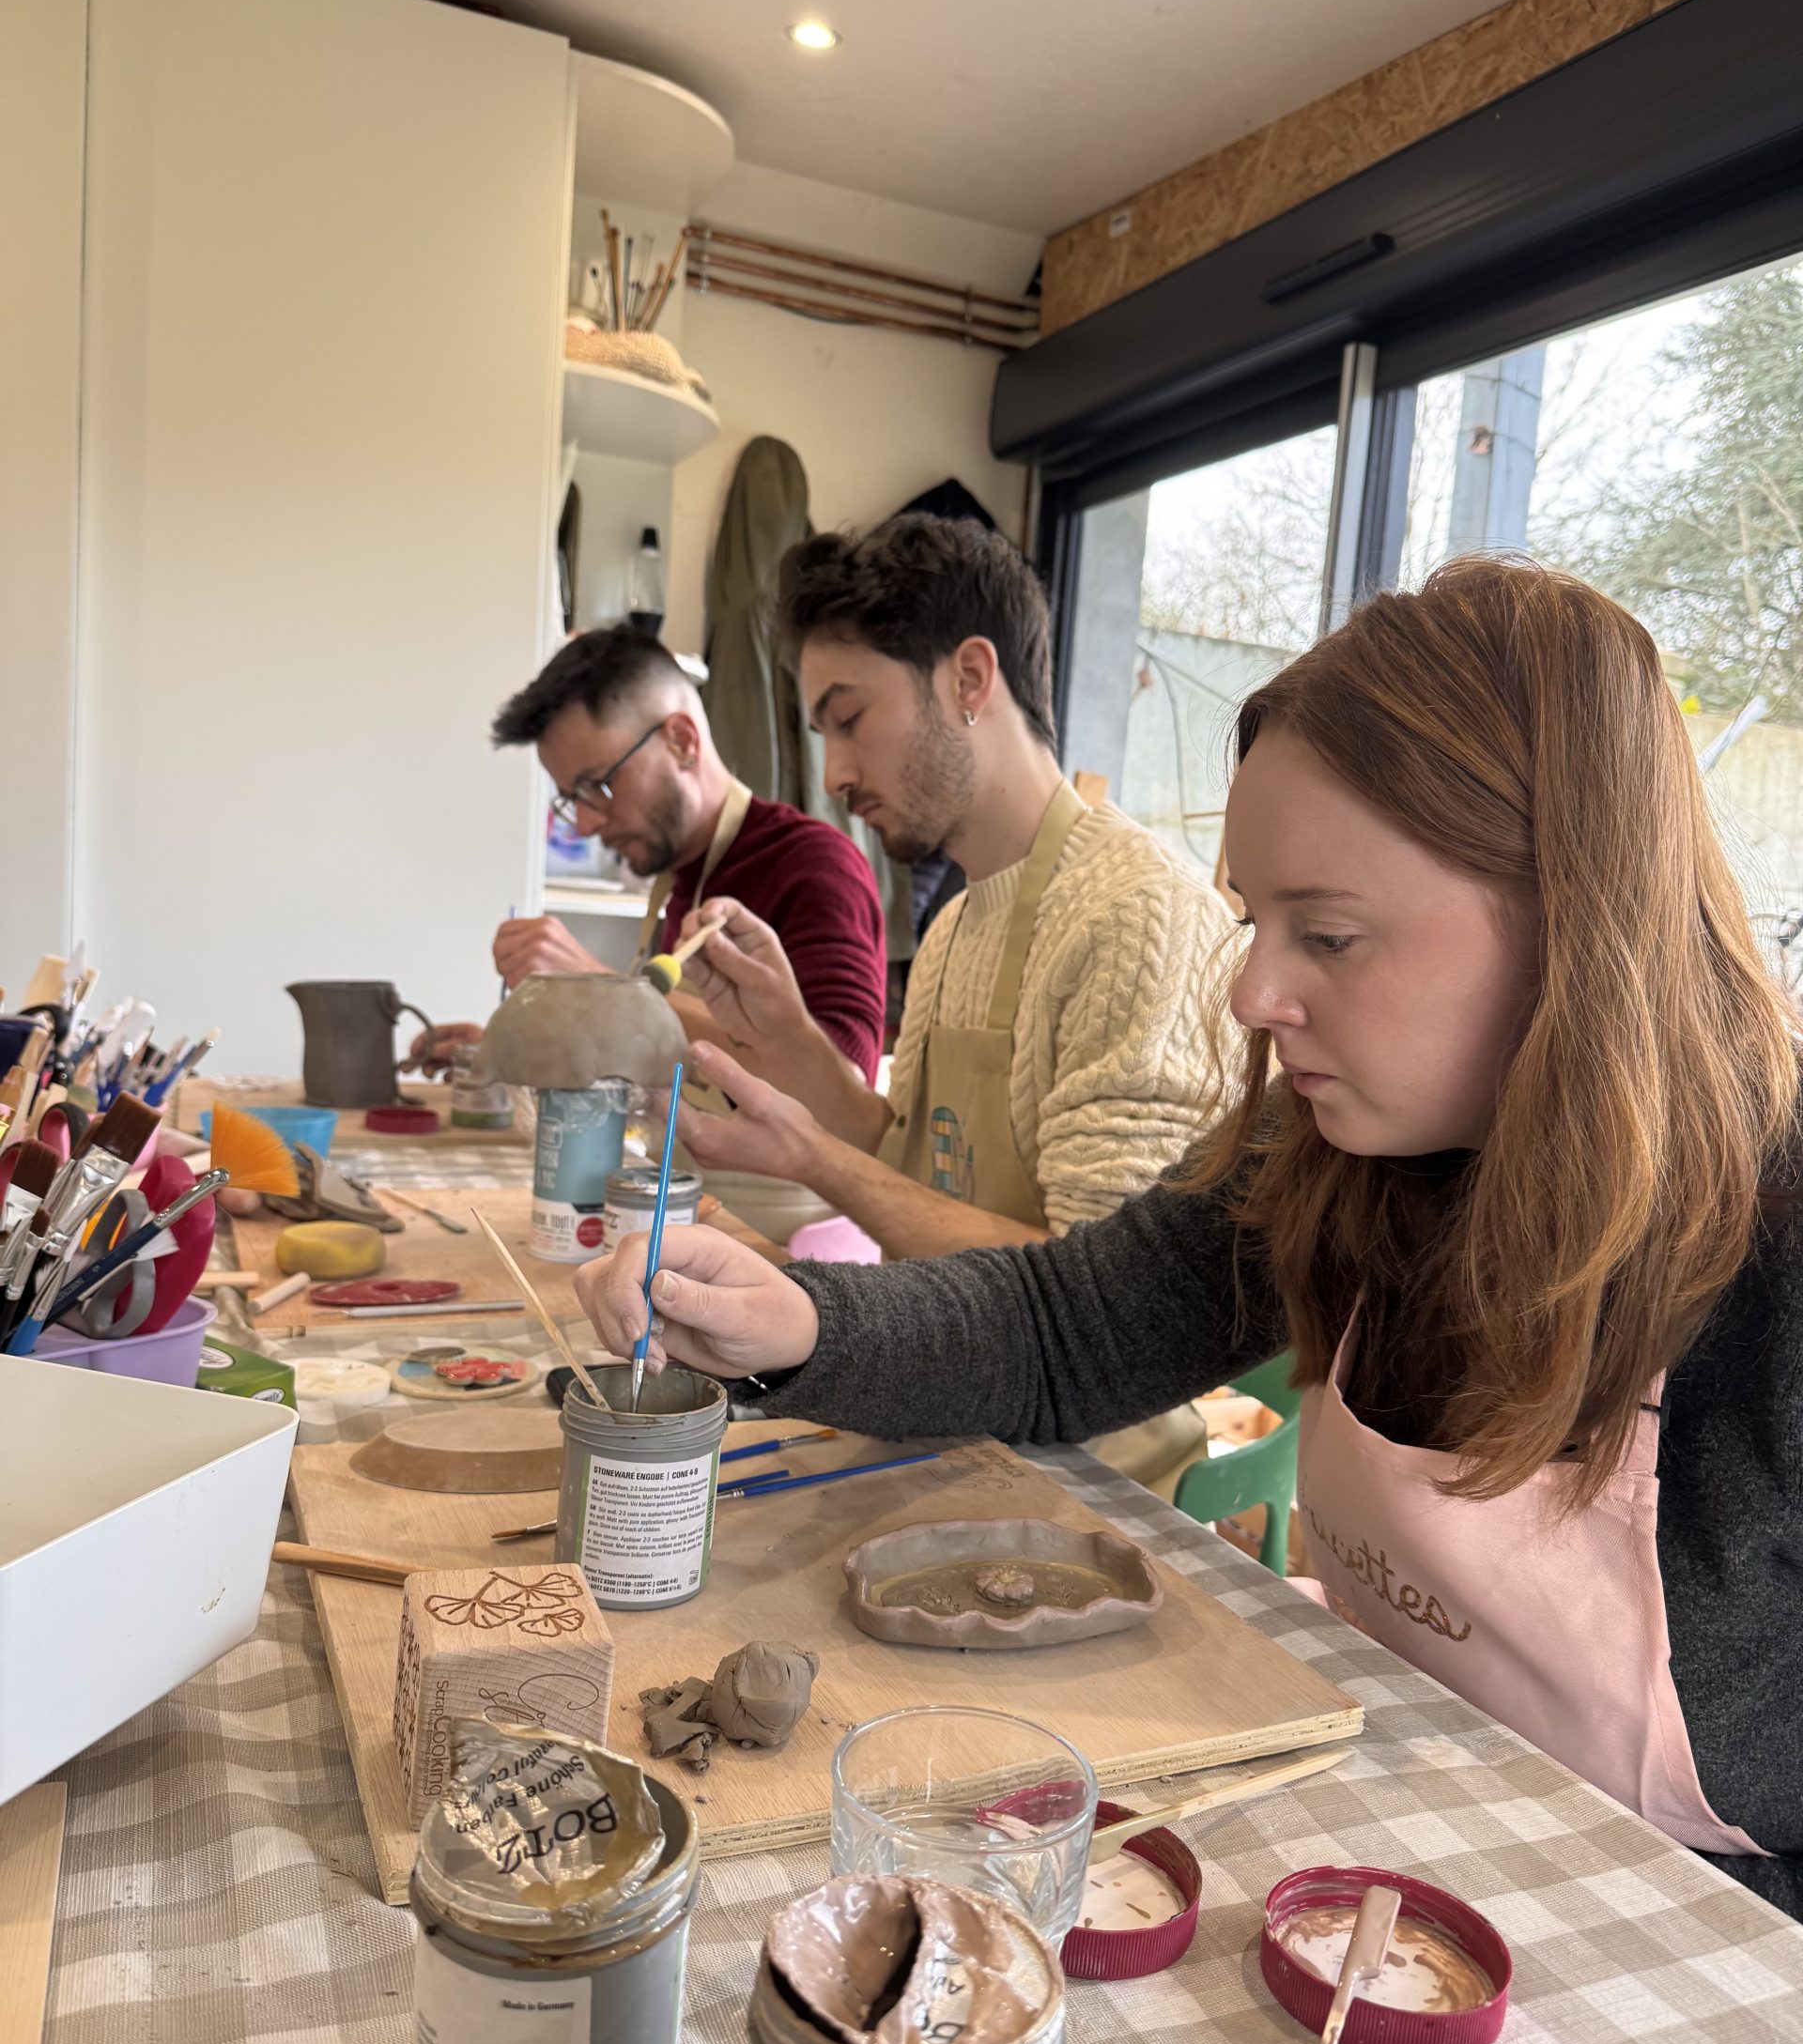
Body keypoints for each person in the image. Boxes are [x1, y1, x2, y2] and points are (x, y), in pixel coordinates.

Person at [578, 559, 1803, 1914]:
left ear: (1576, 916)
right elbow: (1067, 1330)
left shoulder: (1778, 1253)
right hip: (1384, 1843)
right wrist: (799, 1324)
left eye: (1329, 935)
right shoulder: (1331, 1151)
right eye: (1258, 923)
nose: (1254, 993)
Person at [655, 515, 1236, 1268]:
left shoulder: (1138, 920)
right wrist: (786, 1033)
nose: (834, 776)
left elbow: (1105, 1292)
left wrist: (814, 1158)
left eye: (850, 719)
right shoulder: (954, 926)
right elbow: (909, 1167)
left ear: (969, 679)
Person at [411, 623, 887, 1238]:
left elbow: (842, 1101)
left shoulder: (813, 866)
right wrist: (512, 1048)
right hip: (694, 1212)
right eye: (571, 799)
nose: (585, 824)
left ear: (681, 741)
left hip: (783, 1242)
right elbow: (666, 1056)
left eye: (598, 786)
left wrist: (602, 986)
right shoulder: (680, 878)